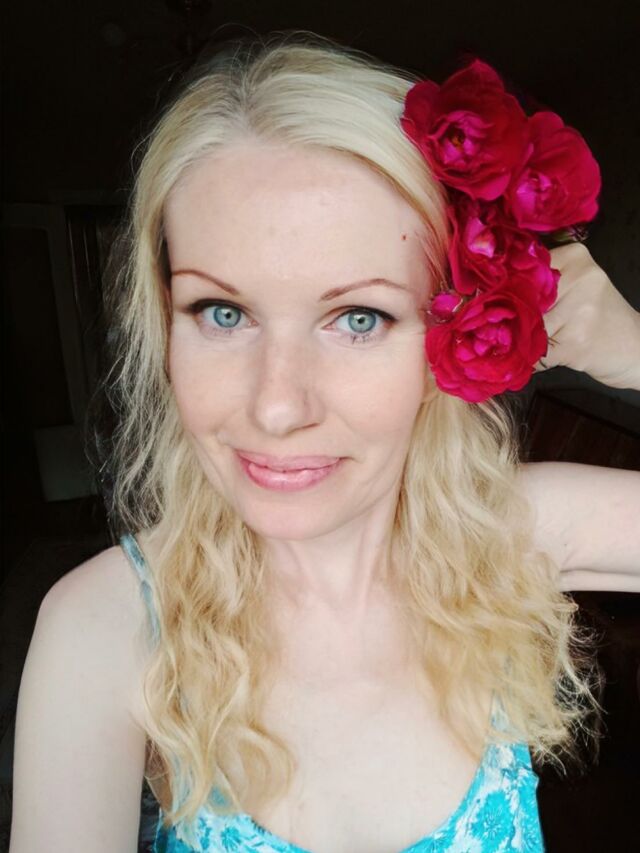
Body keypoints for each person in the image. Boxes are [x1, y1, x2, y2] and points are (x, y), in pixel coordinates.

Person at [9, 32, 640, 853]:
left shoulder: (507, 533)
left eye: (358, 318)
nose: (277, 407)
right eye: (223, 313)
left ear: (449, 333)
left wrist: (629, 346)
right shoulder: (107, 629)